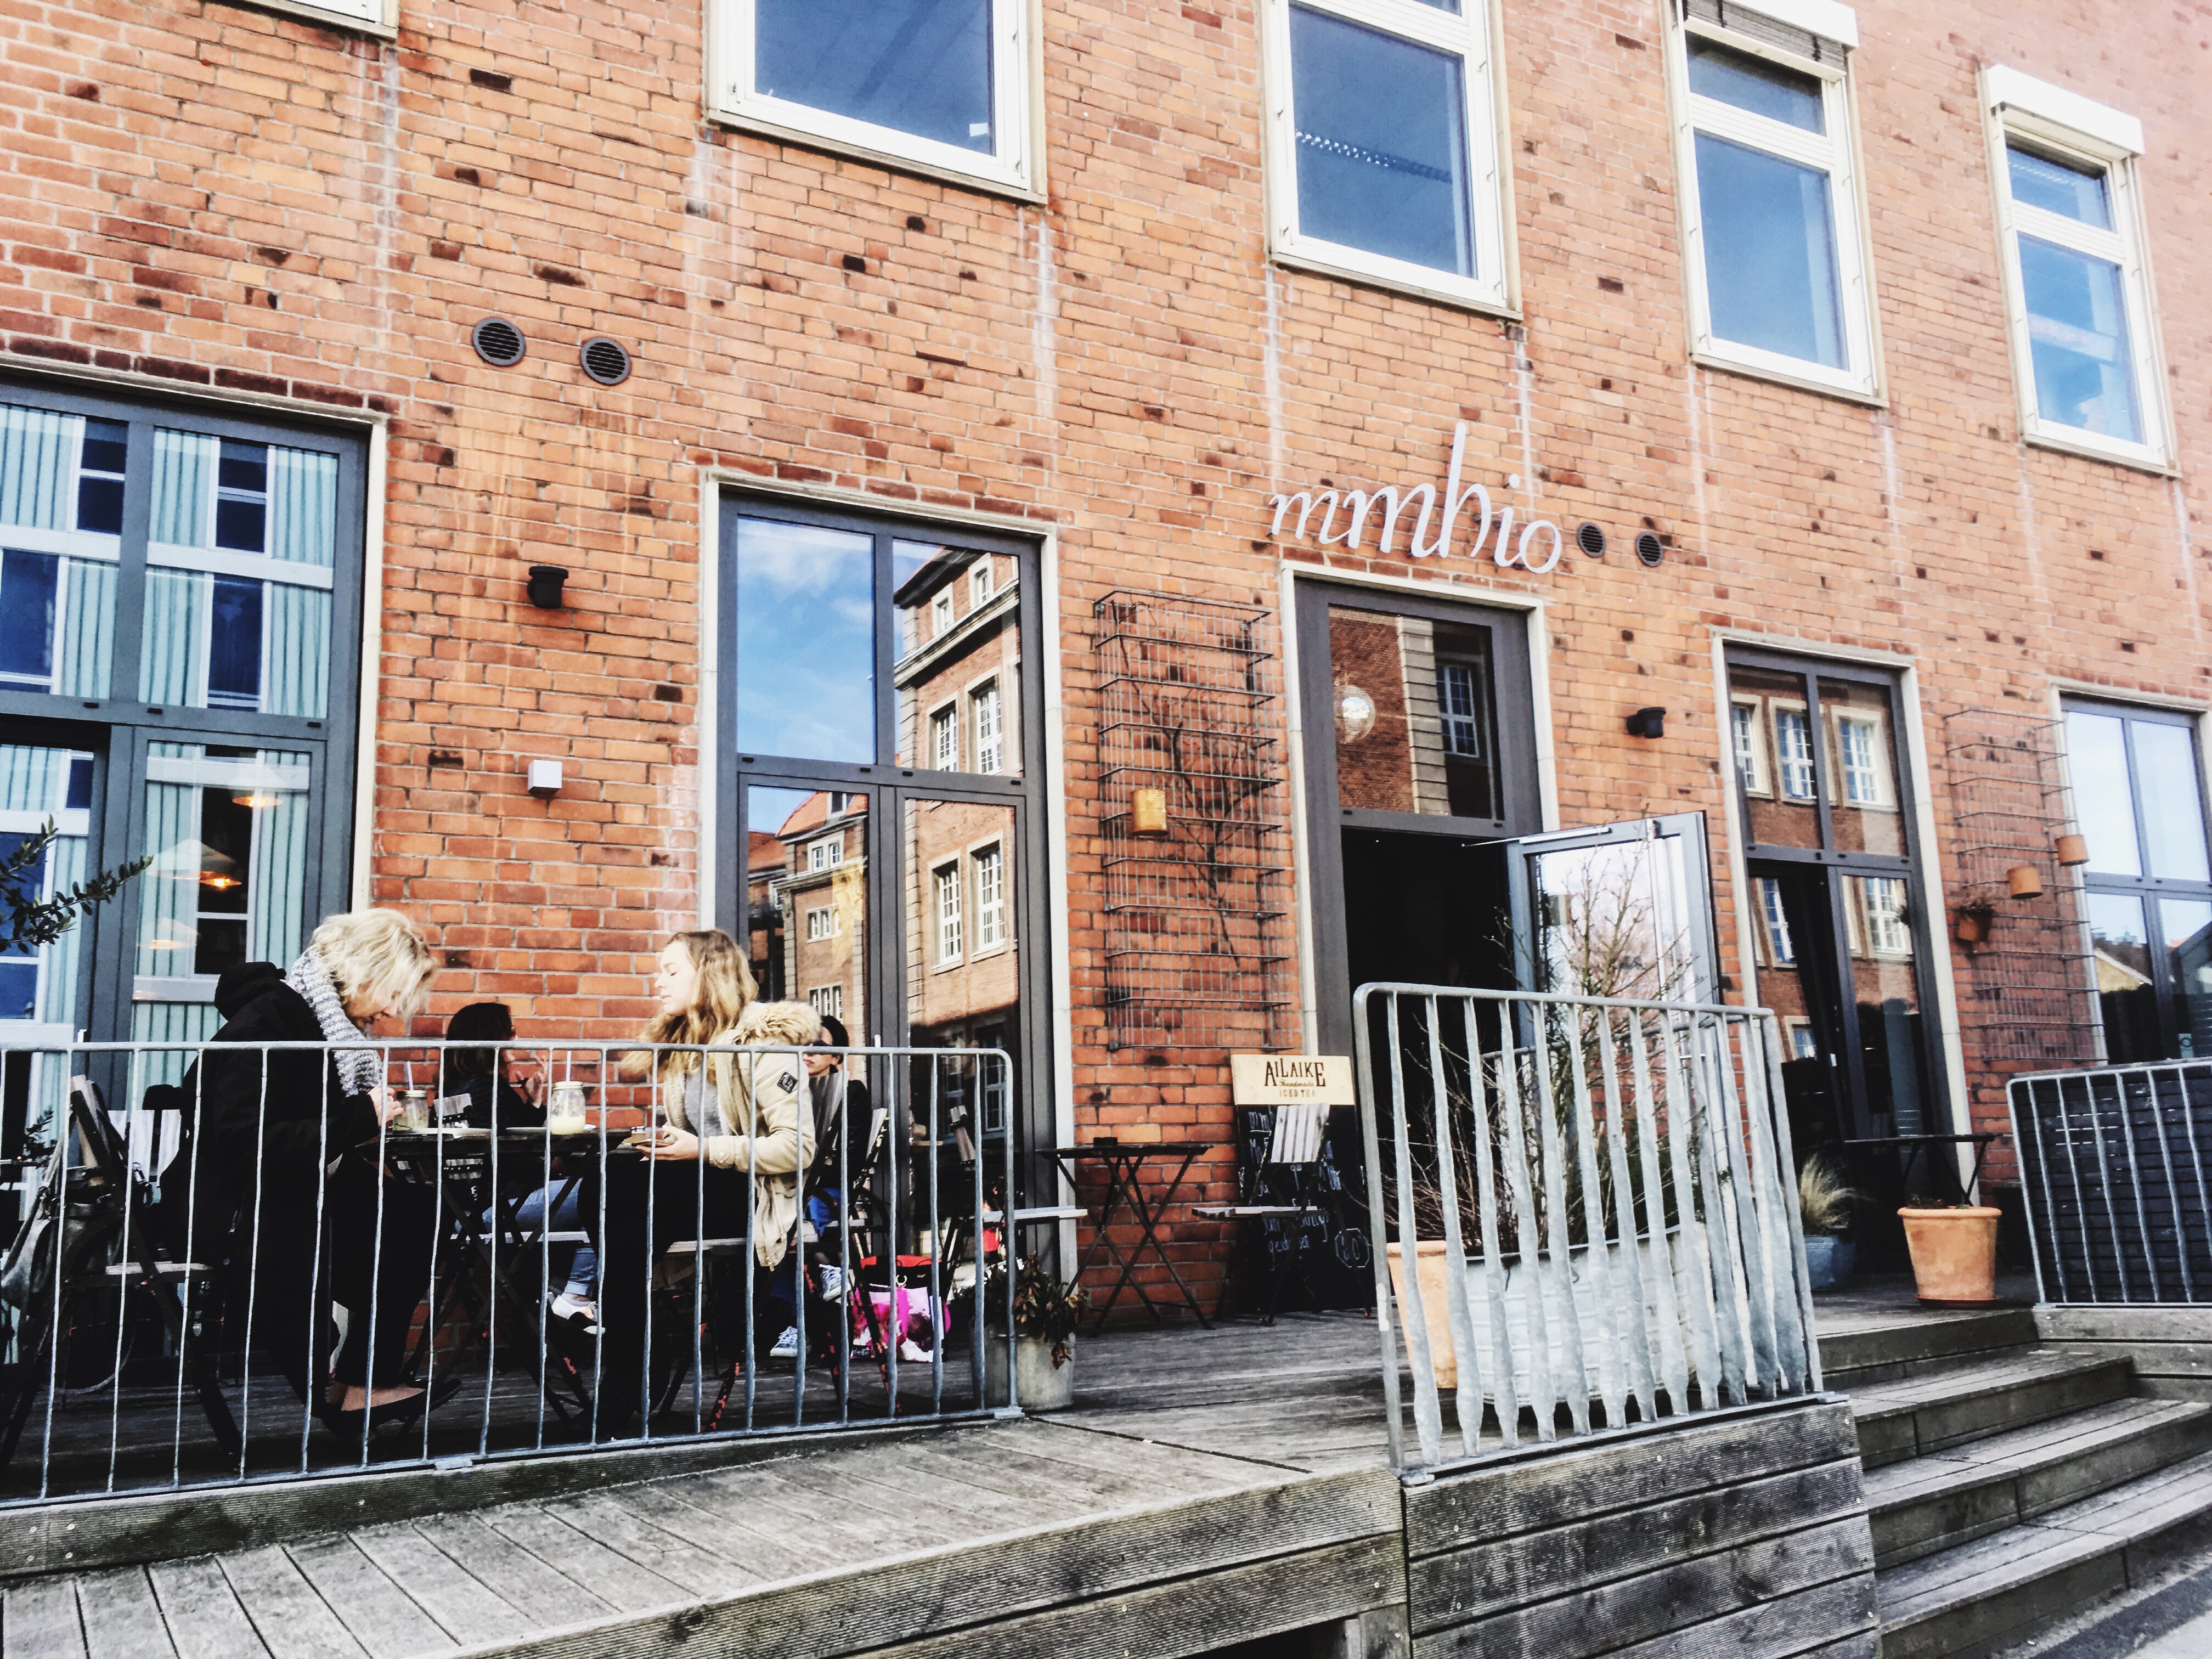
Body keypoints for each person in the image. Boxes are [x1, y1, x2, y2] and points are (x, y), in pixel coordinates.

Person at [178, 910, 441, 1430]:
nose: (391, 1011)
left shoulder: (316, 1022)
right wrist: (359, 1117)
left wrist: (362, 1122)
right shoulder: (268, 1024)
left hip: (291, 1191)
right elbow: (247, 1146)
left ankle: (361, 1385)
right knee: (405, 1222)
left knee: (417, 1213)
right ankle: (356, 1384)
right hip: (242, 1209)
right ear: (363, 971)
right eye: (392, 993)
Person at [581, 929, 817, 1434]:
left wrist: (701, 1150)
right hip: (700, 1184)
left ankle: (631, 1367)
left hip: (752, 1192)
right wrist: (669, 1145)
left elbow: (798, 1147)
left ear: (708, 975)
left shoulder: (764, 1043)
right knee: (606, 1178)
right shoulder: (687, 1045)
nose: (658, 982)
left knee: (621, 1208)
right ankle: (637, 1353)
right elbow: (688, 1142)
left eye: (671, 971)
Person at [448, 1004, 599, 1327]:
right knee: (606, 1192)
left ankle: (559, 1286)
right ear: (490, 1038)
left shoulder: (465, 1088)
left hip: (476, 1209)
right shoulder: (485, 1090)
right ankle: (575, 1294)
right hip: (495, 1209)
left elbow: (511, 1145)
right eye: (510, 1031)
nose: (515, 1038)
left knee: (597, 1194)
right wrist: (559, 1169)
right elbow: (513, 1160)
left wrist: (533, 1101)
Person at [768, 1015, 871, 1361]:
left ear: (837, 1055)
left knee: (795, 1218)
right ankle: (826, 1267)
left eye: (818, 1046)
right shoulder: (783, 1090)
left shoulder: (851, 1092)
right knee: (778, 1225)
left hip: (829, 1187)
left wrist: (810, 1177)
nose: (807, 1052)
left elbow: (851, 1160)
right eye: (800, 1045)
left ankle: (797, 1323)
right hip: (790, 1190)